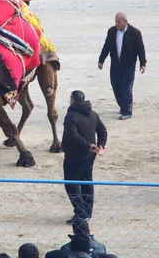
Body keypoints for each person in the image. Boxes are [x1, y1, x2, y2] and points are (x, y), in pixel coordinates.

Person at [62, 90, 107, 224]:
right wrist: (100, 145)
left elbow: (73, 135)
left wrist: (88, 145)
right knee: (87, 182)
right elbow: (102, 130)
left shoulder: (71, 116)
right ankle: (87, 212)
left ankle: (80, 214)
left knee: (72, 184)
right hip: (90, 156)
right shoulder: (93, 114)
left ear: (73, 101)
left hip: (74, 156)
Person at [98, 12, 147, 120]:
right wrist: (101, 60)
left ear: (125, 21)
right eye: (115, 21)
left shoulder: (135, 33)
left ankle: (127, 111)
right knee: (116, 86)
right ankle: (123, 106)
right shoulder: (111, 31)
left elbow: (140, 49)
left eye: (118, 21)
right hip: (115, 64)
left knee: (126, 88)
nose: (116, 23)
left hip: (128, 65)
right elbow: (106, 46)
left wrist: (143, 63)